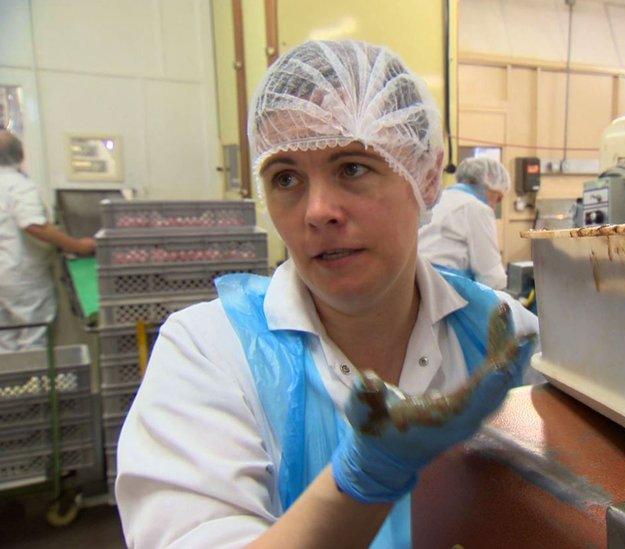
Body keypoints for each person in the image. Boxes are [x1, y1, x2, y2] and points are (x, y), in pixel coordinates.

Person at [115, 40, 538, 548]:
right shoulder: (208, 354)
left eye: (352, 168)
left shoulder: (504, 339)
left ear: (426, 176)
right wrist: (363, 480)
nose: (318, 210)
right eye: (286, 177)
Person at [0, 130, 95, 351]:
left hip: (5, 275)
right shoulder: (18, 185)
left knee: (5, 340)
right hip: (21, 277)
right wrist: (78, 246)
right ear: (20, 154)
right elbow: (33, 225)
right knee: (33, 338)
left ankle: (11, 384)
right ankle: (31, 385)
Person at [418, 156, 508, 289]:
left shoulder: (438, 198)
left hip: (418, 281)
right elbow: (491, 275)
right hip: (446, 289)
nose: (495, 205)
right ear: (489, 185)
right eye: (498, 198)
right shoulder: (476, 208)